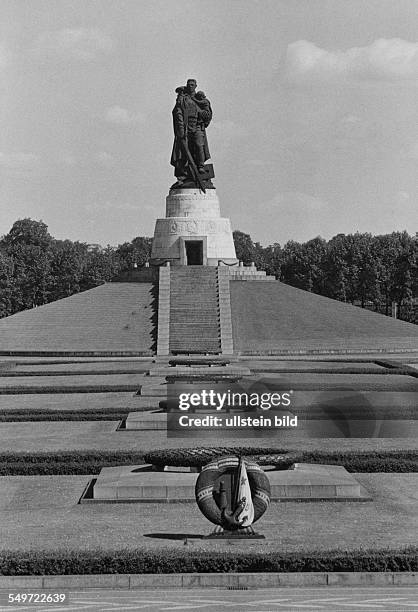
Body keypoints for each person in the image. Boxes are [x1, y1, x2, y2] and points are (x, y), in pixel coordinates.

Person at [170, 79, 213, 187]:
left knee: (199, 146)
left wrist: (202, 114)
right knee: (184, 151)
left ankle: (200, 167)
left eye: (193, 85)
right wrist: (180, 127)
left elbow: (208, 114)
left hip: (197, 126)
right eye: (189, 84)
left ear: (196, 86)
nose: (190, 86)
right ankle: (184, 175)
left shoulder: (200, 99)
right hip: (186, 129)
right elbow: (177, 111)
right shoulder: (183, 99)